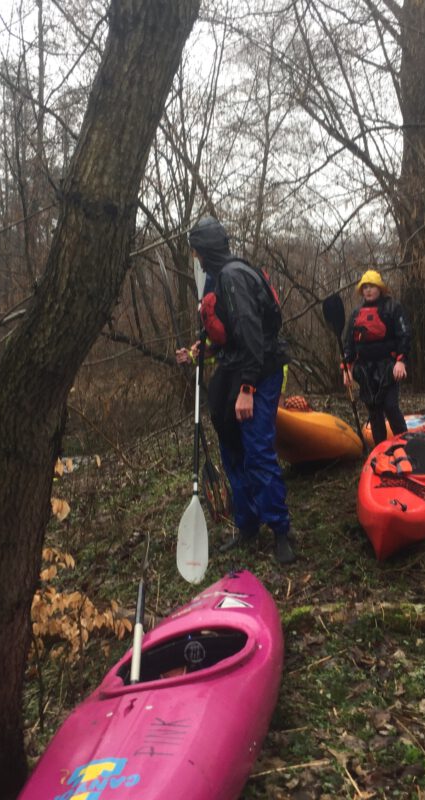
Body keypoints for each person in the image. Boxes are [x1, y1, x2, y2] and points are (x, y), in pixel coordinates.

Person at [176, 216, 295, 564]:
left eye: (196, 251)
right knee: (232, 448)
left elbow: (252, 336)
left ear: (205, 249)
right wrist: (199, 352)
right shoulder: (216, 277)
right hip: (236, 366)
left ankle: (281, 531)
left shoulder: (233, 277)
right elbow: (227, 335)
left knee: (257, 450)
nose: (195, 258)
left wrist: (246, 388)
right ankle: (247, 524)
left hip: (259, 370)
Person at [342, 269, 410, 444]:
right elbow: (349, 343)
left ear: (380, 288)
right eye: (365, 287)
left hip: (388, 367)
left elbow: (404, 335)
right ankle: (380, 452)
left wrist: (401, 361)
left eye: (372, 286)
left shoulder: (393, 307)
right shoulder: (356, 314)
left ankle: (406, 445)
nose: (368, 290)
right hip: (365, 370)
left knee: (390, 406)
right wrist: (347, 368)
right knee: (373, 409)